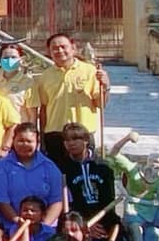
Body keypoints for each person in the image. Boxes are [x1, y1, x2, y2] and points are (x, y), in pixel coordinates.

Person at [27, 32, 108, 163]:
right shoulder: (44, 77)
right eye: (54, 48)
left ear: (73, 48)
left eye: (63, 46)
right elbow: (43, 110)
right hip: (54, 134)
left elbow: (100, 103)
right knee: (58, 177)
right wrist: (41, 138)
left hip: (82, 134)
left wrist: (106, 86)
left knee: (83, 174)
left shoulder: (90, 71)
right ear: (49, 52)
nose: (59, 50)